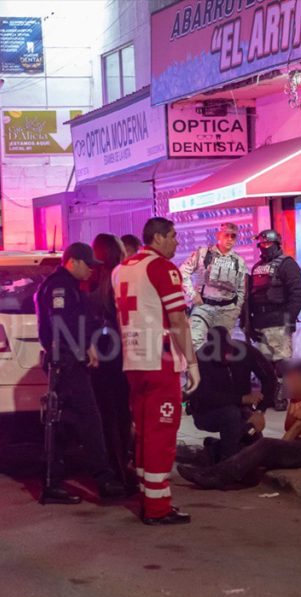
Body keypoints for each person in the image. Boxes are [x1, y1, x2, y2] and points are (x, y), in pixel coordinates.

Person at [112, 217, 200, 525]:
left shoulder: (121, 269)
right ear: (158, 237)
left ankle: (148, 496)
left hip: (132, 360)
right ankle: (157, 507)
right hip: (159, 361)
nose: (177, 242)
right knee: (161, 434)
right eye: (173, 236)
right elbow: (177, 321)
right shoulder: (163, 268)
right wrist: (192, 363)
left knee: (144, 432)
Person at [35, 242, 127, 504]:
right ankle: (103, 479)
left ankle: (53, 482)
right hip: (67, 362)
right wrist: (85, 348)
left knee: (62, 425)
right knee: (89, 419)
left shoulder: (71, 286)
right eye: (88, 265)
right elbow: (62, 325)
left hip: (68, 360)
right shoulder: (60, 286)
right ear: (72, 261)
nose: (91, 270)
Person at [178, 360, 301, 489]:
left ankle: (220, 477)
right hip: (297, 444)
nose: (290, 384)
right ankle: (206, 466)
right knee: (246, 440)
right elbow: (289, 426)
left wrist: (276, 448)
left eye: (295, 381)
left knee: (266, 445)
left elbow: (296, 428)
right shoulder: (297, 398)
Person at [187, 325, 277, 463]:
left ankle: (215, 448)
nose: (225, 358)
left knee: (252, 441)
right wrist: (241, 399)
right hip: (207, 413)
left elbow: (269, 378)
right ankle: (228, 463)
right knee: (231, 414)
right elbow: (205, 397)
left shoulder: (244, 351)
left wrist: (260, 411)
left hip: (241, 410)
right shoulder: (201, 359)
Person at [87, 233, 133, 487]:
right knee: (121, 413)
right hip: (121, 353)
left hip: (99, 356)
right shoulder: (121, 278)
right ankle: (122, 467)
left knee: (106, 415)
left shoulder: (90, 281)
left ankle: (113, 469)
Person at [246, 229, 301, 409]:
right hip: (260, 322)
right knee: (265, 363)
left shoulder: (288, 265)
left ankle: (281, 394)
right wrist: (249, 323)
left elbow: (297, 294)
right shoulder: (257, 267)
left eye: (268, 244)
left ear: (277, 244)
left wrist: (288, 318)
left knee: (281, 360)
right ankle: (270, 393)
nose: (265, 247)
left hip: (279, 321)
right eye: (262, 244)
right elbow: (251, 297)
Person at [178, 222, 247, 350]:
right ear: (218, 235)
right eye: (226, 235)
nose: (230, 239)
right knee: (193, 342)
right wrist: (192, 294)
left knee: (222, 349)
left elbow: (241, 289)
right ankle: (196, 364)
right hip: (204, 307)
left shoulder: (239, 261)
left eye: (233, 236)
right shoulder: (203, 254)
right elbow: (182, 273)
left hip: (227, 311)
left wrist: (236, 310)